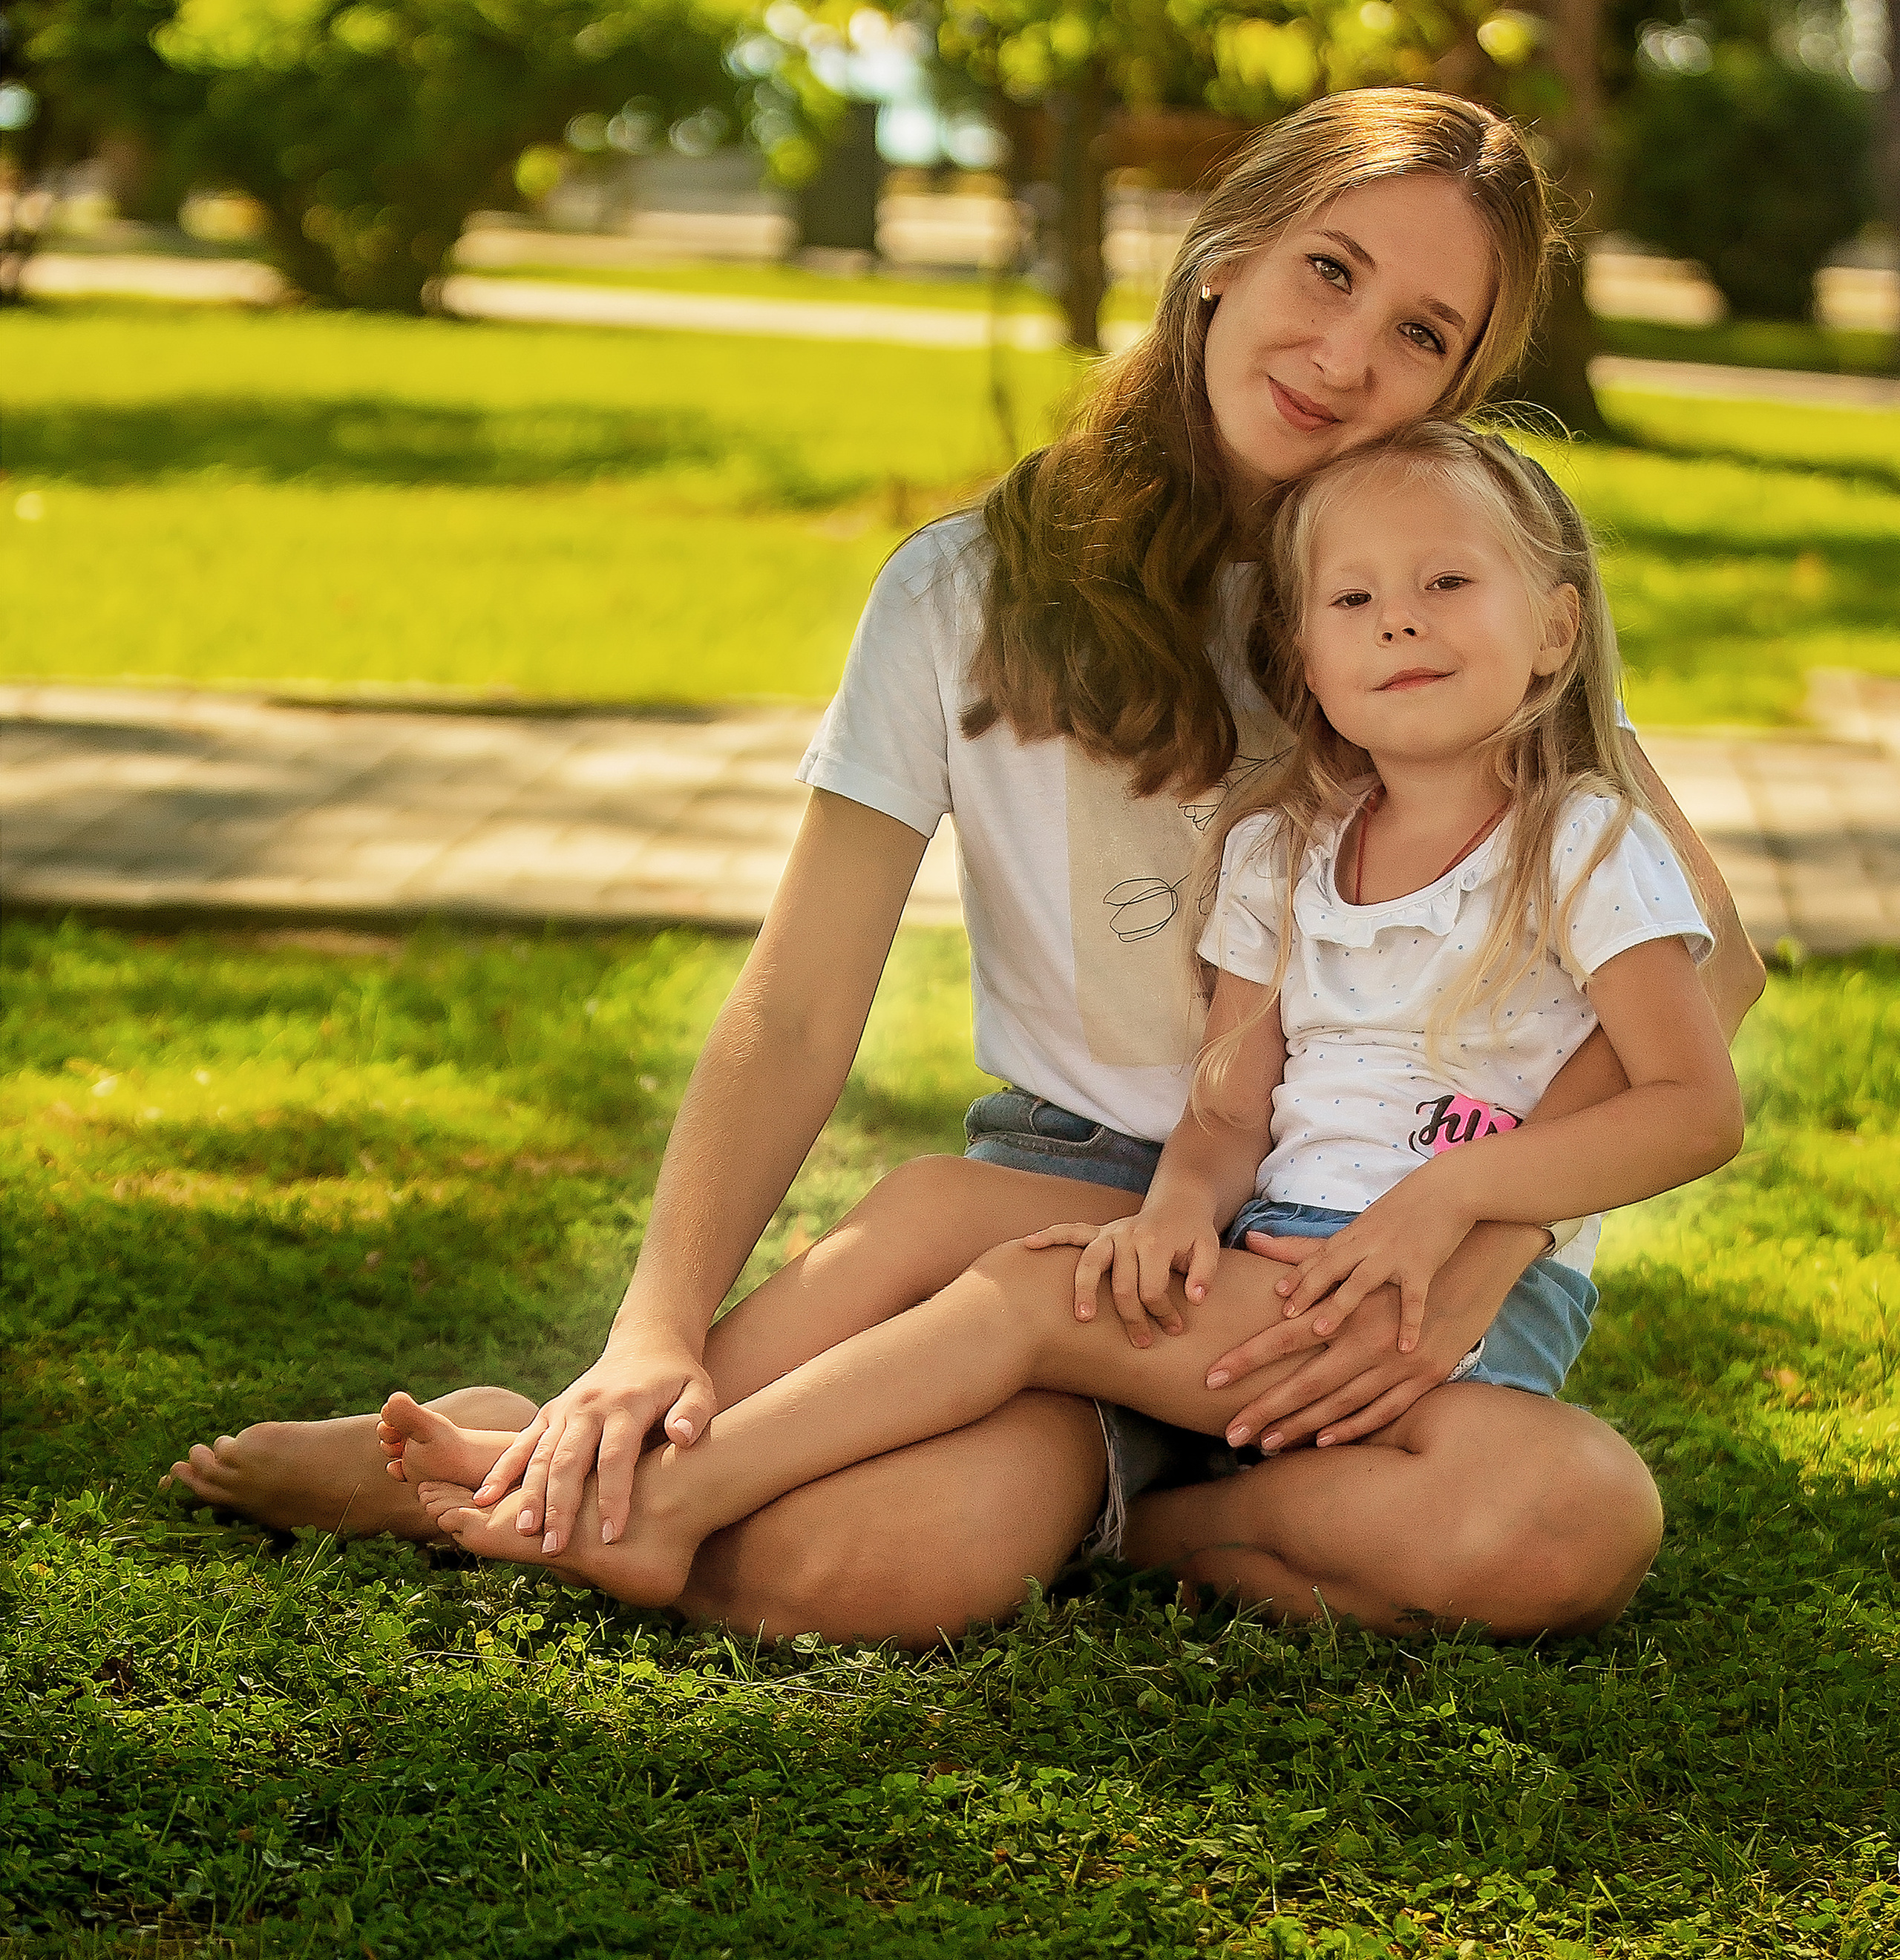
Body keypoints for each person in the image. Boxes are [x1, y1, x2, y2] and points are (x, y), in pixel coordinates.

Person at [167, 89, 1764, 1640]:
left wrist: (1471, 1233)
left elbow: (1705, 963)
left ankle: (1122, 1525)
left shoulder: (1435, 606)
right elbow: (796, 1007)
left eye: (1421, 332)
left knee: (1556, 1521)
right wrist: (655, 1332)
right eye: (1327, 271)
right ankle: (561, 1455)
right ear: (1224, 252)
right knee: (850, 1574)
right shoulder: (960, 598)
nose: (1347, 355)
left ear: (1460, 384)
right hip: (1068, 1202)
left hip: (1366, 1247)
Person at [384, 421, 1743, 1634]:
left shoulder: (1584, 842)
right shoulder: (1284, 850)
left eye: (1449, 584)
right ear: (1306, 662)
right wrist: (1173, 1213)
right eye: (1356, 598)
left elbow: (1693, 1105)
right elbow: (1230, 1104)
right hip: (1262, 1273)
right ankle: (624, 1462)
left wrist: (1455, 1203)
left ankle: (743, 1505)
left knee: (1568, 1512)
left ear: (1556, 632)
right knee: (981, 1240)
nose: (1402, 622)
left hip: (1450, 1328)